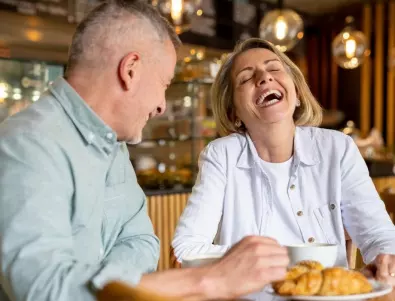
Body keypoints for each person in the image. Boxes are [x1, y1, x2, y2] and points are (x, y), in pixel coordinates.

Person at [0, 3, 290, 301]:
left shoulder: (113, 146)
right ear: (131, 70)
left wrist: (95, 283)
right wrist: (207, 280)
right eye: (164, 83)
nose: (163, 105)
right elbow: (42, 289)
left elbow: (142, 242)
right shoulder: (26, 142)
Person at [172, 38, 395, 285]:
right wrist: (276, 259)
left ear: (297, 93)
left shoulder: (337, 148)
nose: (264, 78)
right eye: (246, 78)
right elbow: (186, 249)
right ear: (233, 113)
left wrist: (386, 257)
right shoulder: (221, 156)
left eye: (274, 68)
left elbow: (377, 233)